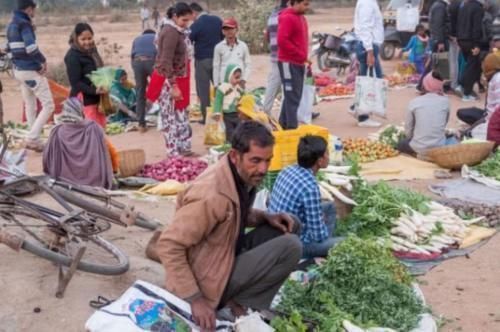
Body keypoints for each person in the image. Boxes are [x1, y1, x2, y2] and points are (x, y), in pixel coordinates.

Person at [147, 121, 302, 330]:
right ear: (235, 156)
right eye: (255, 160)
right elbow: (169, 244)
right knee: (291, 246)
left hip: (223, 256)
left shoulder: (238, 174)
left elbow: (232, 215)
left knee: (290, 225)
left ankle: (236, 300)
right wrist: (195, 299)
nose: (263, 169)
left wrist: (265, 217)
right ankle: (237, 305)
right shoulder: (212, 195)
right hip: (204, 278)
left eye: (268, 160)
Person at [269, 135, 343, 258]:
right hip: (292, 245)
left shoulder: (287, 169)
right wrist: (320, 223)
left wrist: (317, 219)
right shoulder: (310, 188)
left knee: (329, 207)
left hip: (275, 230)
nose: (328, 157)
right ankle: (319, 251)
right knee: (343, 242)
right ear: (319, 161)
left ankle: (322, 248)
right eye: (327, 154)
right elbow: (318, 235)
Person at [7, 0, 54, 152]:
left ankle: (34, 139)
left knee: (30, 105)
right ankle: (32, 137)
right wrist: (42, 61)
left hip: (18, 70)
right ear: (29, 9)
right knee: (49, 105)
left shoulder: (12, 23)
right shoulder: (24, 24)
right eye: (34, 10)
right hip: (29, 70)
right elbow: (31, 48)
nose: (35, 13)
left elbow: (10, 48)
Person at [43, 98, 117, 189]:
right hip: (95, 183)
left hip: (64, 183)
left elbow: (47, 160)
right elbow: (106, 155)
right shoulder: (94, 128)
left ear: (65, 111)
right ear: (81, 111)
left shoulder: (57, 132)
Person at [156, 3, 193, 156]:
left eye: (188, 21)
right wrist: (173, 85)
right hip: (168, 80)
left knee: (180, 114)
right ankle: (173, 153)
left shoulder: (177, 31)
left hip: (175, 78)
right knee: (170, 118)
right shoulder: (171, 32)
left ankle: (182, 148)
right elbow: (165, 61)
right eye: (184, 20)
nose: (186, 24)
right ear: (175, 17)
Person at [398, 71, 455, 156]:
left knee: (401, 143)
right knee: (453, 140)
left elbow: (408, 129)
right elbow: (444, 123)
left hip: (418, 148)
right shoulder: (445, 102)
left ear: (425, 85)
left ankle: (418, 153)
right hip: (439, 147)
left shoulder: (414, 102)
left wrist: (414, 138)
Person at [65, 23, 106, 128]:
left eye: (89, 38)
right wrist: (94, 91)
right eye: (83, 39)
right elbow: (75, 83)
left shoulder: (92, 51)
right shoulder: (72, 56)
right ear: (76, 38)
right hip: (83, 101)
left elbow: (99, 71)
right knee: (89, 134)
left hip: (96, 98)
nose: (87, 42)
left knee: (100, 132)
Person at [277, 0, 310, 130]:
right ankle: (291, 127)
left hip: (298, 62)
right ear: (295, 2)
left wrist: (303, 56)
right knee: (292, 96)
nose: (307, 7)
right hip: (288, 63)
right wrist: (299, 54)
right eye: (305, 4)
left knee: (293, 95)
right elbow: (282, 40)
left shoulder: (301, 18)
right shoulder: (287, 18)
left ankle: (283, 124)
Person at [189, 3, 223, 124]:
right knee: (220, 88)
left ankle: (206, 118)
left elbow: (189, 40)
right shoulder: (217, 20)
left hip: (202, 60)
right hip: (218, 59)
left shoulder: (196, 25)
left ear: (194, 12)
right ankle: (225, 114)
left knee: (203, 91)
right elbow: (223, 37)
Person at [353, 0, 384, 128]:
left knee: (368, 80)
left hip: (369, 45)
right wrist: (370, 51)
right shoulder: (367, 3)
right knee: (368, 82)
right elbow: (365, 27)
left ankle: (356, 108)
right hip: (367, 46)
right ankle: (363, 117)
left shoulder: (370, 2)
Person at [457, 49, 500, 137]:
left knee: (471, 133)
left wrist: (473, 128)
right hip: (488, 114)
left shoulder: (497, 79)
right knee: (462, 113)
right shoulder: (492, 77)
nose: (482, 66)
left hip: (494, 118)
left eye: (484, 64)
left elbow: (496, 112)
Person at [262, 0, 289, 115]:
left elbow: (267, 36)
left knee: (273, 83)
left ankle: (266, 109)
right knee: (287, 85)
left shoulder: (272, 16)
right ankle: (286, 113)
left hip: (274, 55)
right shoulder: (287, 15)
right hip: (286, 57)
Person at [457, 0, 485, 101]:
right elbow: (477, 27)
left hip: (462, 40)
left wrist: (458, 39)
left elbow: (458, 24)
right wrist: (477, 44)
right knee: (472, 67)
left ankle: (462, 86)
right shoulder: (477, 8)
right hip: (472, 41)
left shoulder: (463, 6)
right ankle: (466, 93)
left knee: (470, 65)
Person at [213, 18, 251, 89]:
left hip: (239, 83)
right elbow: (216, 67)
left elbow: (248, 64)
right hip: (224, 83)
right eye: (226, 29)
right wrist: (216, 85)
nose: (228, 31)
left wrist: (244, 80)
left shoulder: (243, 46)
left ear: (236, 29)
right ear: (223, 31)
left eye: (231, 28)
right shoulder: (218, 47)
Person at [131, 29, 157, 132]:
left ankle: (141, 123)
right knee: (160, 90)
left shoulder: (137, 39)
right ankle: (164, 120)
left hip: (137, 62)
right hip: (152, 61)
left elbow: (132, 57)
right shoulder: (156, 37)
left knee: (140, 93)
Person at [213, 64, 245, 142]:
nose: (238, 80)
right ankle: (230, 144)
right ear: (229, 76)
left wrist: (242, 89)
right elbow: (218, 100)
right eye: (236, 77)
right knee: (229, 131)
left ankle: (238, 143)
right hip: (227, 115)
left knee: (239, 129)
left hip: (237, 114)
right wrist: (217, 112)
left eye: (239, 77)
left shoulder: (238, 87)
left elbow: (243, 97)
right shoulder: (223, 88)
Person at [448, 0, 463, 95]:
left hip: (454, 37)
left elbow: (451, 22)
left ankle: (453, 84)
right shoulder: (461, 4)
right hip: (460, 36)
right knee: (457, 61)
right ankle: (455, 82)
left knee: (453, 61)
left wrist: (452, 35)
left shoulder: (452, 6)